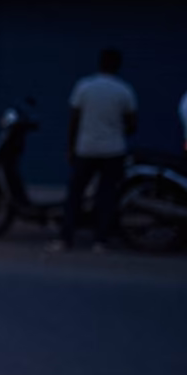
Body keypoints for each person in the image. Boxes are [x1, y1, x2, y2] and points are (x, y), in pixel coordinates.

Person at [50, 48, 137, 252]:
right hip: (113, 150)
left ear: (100, 63)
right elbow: (133, 125)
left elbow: (74, 120)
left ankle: (65, 239)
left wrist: (70, 147)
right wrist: (115, 129)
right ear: (118, 66)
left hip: (86, 149)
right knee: (106, 196)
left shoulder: (84, 87)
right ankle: (101, 240)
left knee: (75, 194)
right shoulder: (124, 90)